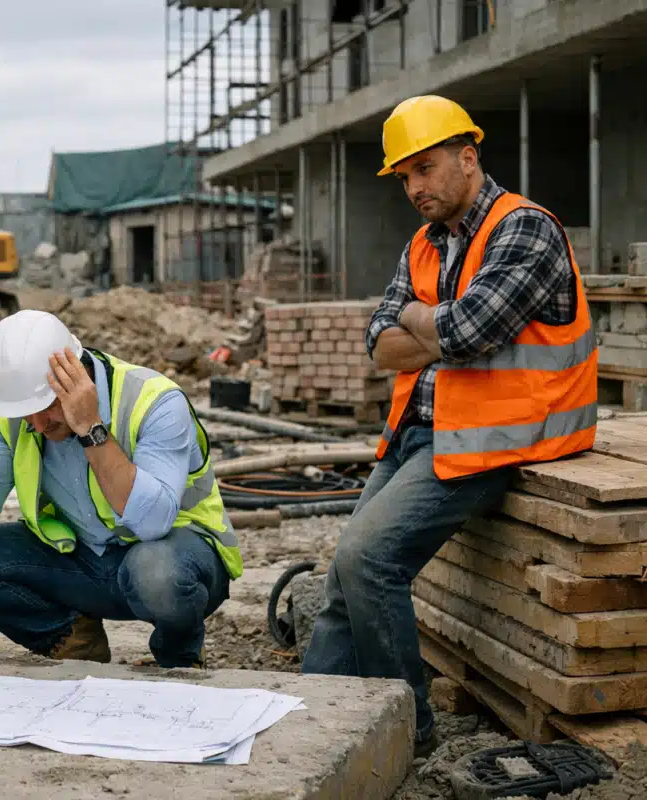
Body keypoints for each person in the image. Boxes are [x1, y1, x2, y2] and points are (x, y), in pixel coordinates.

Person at [300, 95, 597, 758]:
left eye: (425, 168)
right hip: (419, 431)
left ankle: (408, 729)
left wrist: (423, 318)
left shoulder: (524, 228)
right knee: (344, 574)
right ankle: (312, 714)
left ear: (468, 157)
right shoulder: (425, 243)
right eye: (404, 176)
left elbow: (468, 332)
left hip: (493, 439)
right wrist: (436, 327)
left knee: (369, 560)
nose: (414, 187)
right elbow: (380, 345)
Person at [0, 309, 242, 669]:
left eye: (47, 406)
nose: (37, 424)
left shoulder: (155, 400)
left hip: (174, 562)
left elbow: (152, 523)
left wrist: (91, 428)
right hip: (85, 563)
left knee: (157, 572)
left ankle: (179, 656)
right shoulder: (16, 419)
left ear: (77, 375)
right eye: (26, 412)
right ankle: (75, 642)